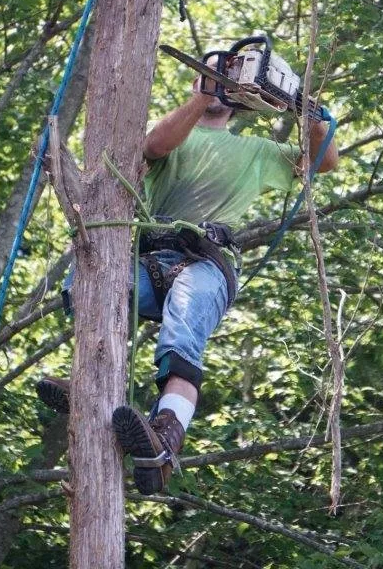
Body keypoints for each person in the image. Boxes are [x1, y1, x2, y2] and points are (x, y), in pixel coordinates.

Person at [37, 54, 339, 495]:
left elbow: (323, 161)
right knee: (89, 286)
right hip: (146, 259)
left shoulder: (257, 152)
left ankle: (165, 437)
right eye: (212, 71)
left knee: (182, 335)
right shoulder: (175, 130)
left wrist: (310, 113)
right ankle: (88, 384)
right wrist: (202, 98)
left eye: (228, 76)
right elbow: (155, 146)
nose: (217, 81)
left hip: (205, 262)